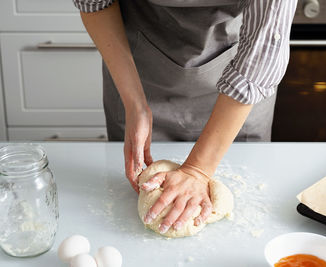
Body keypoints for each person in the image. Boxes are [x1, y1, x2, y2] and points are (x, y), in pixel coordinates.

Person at [73, 0, 297, 234]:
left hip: (242, 82)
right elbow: (94, 3)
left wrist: (197, 170)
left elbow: (265, 49)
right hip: (138, 71)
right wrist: (135, 104)